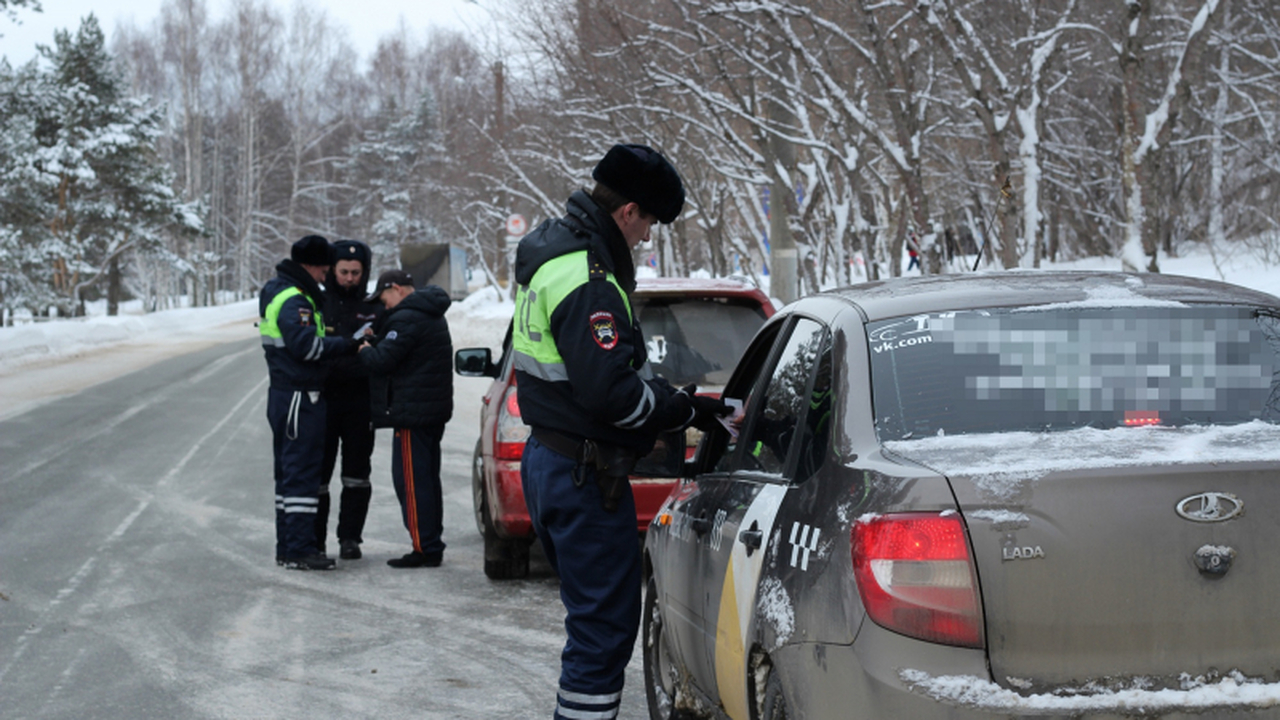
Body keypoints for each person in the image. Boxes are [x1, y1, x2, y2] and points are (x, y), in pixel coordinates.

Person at [511, 143, 728, 720]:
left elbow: (595, 375)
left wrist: (677, 401)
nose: (648, 237)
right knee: (603, 634)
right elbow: (609, 393)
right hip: (583, 475)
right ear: (629, 211)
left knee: (592, 627)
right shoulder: (589, 277)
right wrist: (677, 411)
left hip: (553, 461)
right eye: (651, 222)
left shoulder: (554, 259)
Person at [259, 235, 352, 571]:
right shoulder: (294, 300)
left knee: (287, 476)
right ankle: (299, 549)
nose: (325, 277)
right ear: (311, 265)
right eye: (324, 270)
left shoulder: (276, 290)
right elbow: (307, 348)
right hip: (300, 395)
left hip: (285, 394)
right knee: (301, 474)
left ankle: (288, 547)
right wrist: (344, 344)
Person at [358, 269, 454, 568]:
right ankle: (430, 542)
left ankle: (424, 547)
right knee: (427, 479)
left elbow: (383, 361)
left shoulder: (407, 317)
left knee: (411, 483)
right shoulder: (430, 311)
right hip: (429, 410)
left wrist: (363, 348)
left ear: (397, 289)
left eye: (384, 297)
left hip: (413, 414)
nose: (384, 305)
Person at [317, 239, 381, 560]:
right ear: (332, 270)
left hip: (360, 400)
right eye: (344, 271)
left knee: (357, 474)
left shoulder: (374, 306)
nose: (350, 278)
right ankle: (316, 539)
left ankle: (350, 537)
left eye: (356, 272)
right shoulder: (317, 303)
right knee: (319, 474)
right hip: (324, 399)